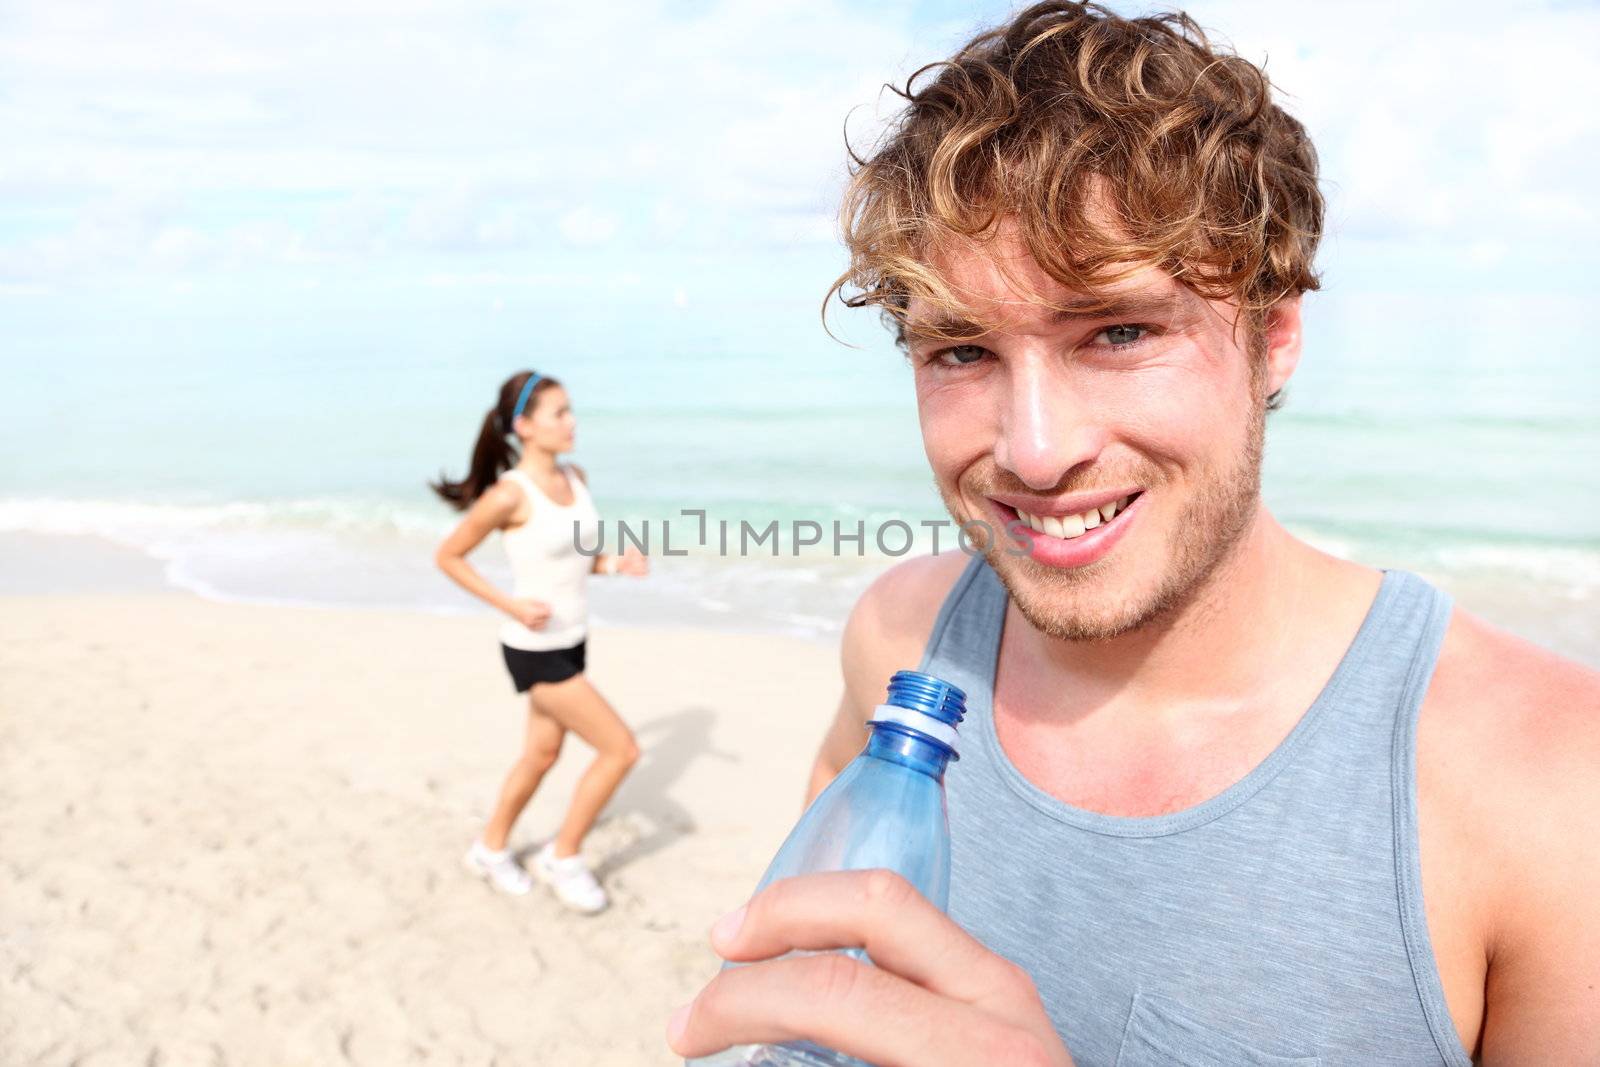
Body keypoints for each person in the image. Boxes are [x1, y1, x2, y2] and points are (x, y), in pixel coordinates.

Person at [667, 4, 1600, 1064]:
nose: (1031, 449)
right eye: (961, 351)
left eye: (1117, 330)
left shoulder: (1553, 790)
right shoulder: (903, 644)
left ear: (1274, 332)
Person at [432, 369, 647, 914]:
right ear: (525, 426)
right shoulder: (509, 495)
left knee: (541, 753)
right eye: (559, 413)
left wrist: (615, 564)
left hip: (573, 637)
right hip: (534, 648)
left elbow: (574, 560)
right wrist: (511, 604)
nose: (571, 422)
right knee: (621, 750)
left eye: (571, 410)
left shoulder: (575, 477)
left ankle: (489, 848)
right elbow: (448, 556)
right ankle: (564, 856)